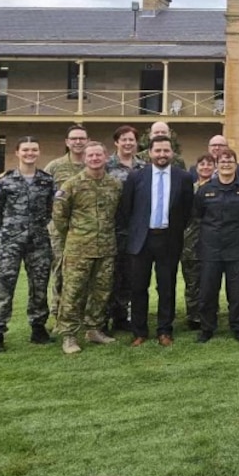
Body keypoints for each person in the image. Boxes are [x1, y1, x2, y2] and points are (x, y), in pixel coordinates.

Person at [117, 135, 193, 347]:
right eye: (157, 151)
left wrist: (175, 230)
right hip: (141, 240)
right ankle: (139, 332)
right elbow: (126, 209)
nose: (162, 155)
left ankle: (164, 330)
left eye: (166, 151)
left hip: (168, 239)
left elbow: (187, 211)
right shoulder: (136, 177)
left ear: (172, 153)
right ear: (149, 153)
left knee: (166, 287)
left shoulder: (183, 178)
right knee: (138, 287)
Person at [0, 136, 55, 353]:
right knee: (3, 286)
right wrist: (5, 234)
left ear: (39, 152)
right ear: (17, 153)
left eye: (34, 149)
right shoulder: (5, 181)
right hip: (10, 242)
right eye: (25, 150)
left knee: (40, 286)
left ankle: (38, 327)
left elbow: (51, 210)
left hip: (38, 241)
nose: (29, 153)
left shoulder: (47, 181)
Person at [52, 141, 122, 354]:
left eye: (98, 155)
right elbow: (59, 216)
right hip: (79, 249)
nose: (94, 159)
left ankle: (94, 329)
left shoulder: (114, 184)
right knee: (73, 292)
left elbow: (117, 214)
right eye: (90, 155)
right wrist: (75, 235)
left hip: (106, 248)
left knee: (101, 292)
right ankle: (69, 335)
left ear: (105, 157)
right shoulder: (72, 185)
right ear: (84, 158)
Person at [193, 148, 239, 342]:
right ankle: (207, 328)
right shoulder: (205, 189)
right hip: (211, 248)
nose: (226, 164)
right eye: (222, 161)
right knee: (207, 291)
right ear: (217, 165)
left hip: (237, 247)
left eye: (230, 161)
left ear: (236, 165)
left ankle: (238, 326)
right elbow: (198, 215)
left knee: (237, 292)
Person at [44, 124, 88, 318]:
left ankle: (83, 314)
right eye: (74, 138)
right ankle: (58, 314)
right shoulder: (55, 166)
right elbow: (43, 195)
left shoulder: (95, 163)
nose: (78, 142)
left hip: (88, 230)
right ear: (67, 142)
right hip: (61, 231)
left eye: (82, 138)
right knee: (61, 271)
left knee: (86, 273)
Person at [105, 124, 145, 331]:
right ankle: (104, 317)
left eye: (131, 139)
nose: (128, 143)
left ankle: (123, 316)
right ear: (116, 142)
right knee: (110, 275)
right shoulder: (106, 166)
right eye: (124, 139)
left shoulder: (143, 166)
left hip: (135, 228)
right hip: (111, 227)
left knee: (130, 274)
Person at [179, 154, 215, 329]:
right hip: (189, 243)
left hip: (211, 242)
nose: (206, 167)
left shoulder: (218, 188)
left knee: (210, 281)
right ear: (196, 167)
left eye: (209, 164)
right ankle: (193, 316)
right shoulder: (189, 188)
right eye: (202, 164)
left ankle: (209, 313)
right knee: (192, 282)